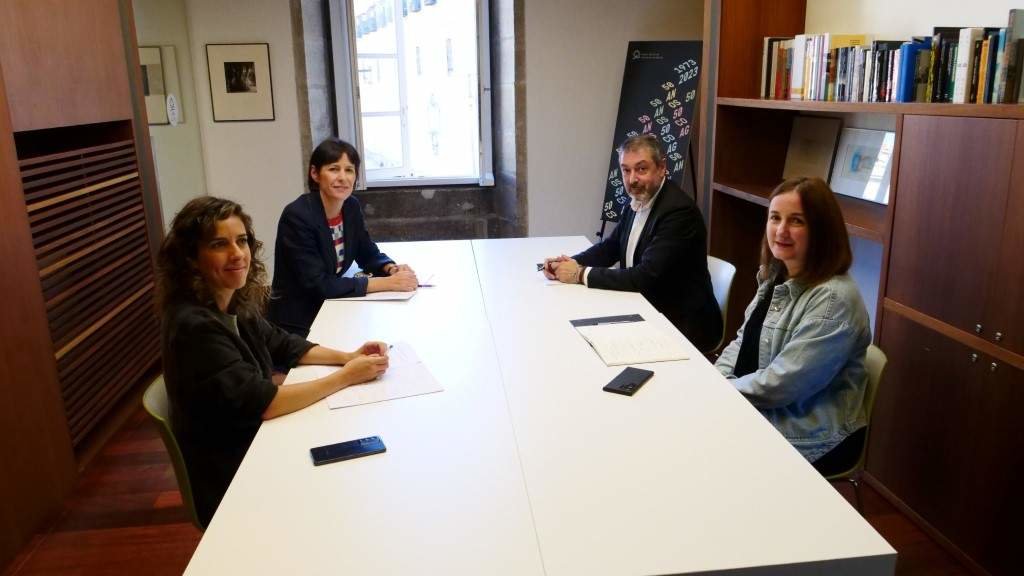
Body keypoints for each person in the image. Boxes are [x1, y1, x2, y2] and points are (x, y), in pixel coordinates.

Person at [157, 196, 390, 528]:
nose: (237, 254)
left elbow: (282, 344)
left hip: (254, 442)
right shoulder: (194, 327)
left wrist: (347, 357)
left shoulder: (228, 300)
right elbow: (263, 404)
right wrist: (346, 377)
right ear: (192, 258)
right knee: (354, 485)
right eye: (220, 244)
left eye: (242, 241)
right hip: (234, 475)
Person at [715, 177, 871, 474]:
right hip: (765, 403)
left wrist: (718, 393)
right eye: (775, 218)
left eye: (796, 221)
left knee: (707, 450)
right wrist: (714, 381)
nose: (781, 230)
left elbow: (782, 385)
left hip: (811, 429)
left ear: (821, 231)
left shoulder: (834, 299)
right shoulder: (776, 274)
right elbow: (741, 341)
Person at [543, 135, 722, 351]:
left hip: (682, 323)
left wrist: (580, 274)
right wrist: (568, 263)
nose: (632, 179)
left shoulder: (678, 212)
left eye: (641, 169)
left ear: (662, 167)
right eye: (626, 170)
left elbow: (644, 276)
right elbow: (610, 248)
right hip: (645, 306)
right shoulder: (638, 199)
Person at [268, 138, 418, 337]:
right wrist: (388, 284)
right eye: (333, 169)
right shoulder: (297, 216)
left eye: (349, 170)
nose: (342, 177)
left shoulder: (350, 206)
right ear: (315, 174)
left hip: (334, 307)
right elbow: (319, 285)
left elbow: (365, 250)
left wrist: (390, 269)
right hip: (299, 323)